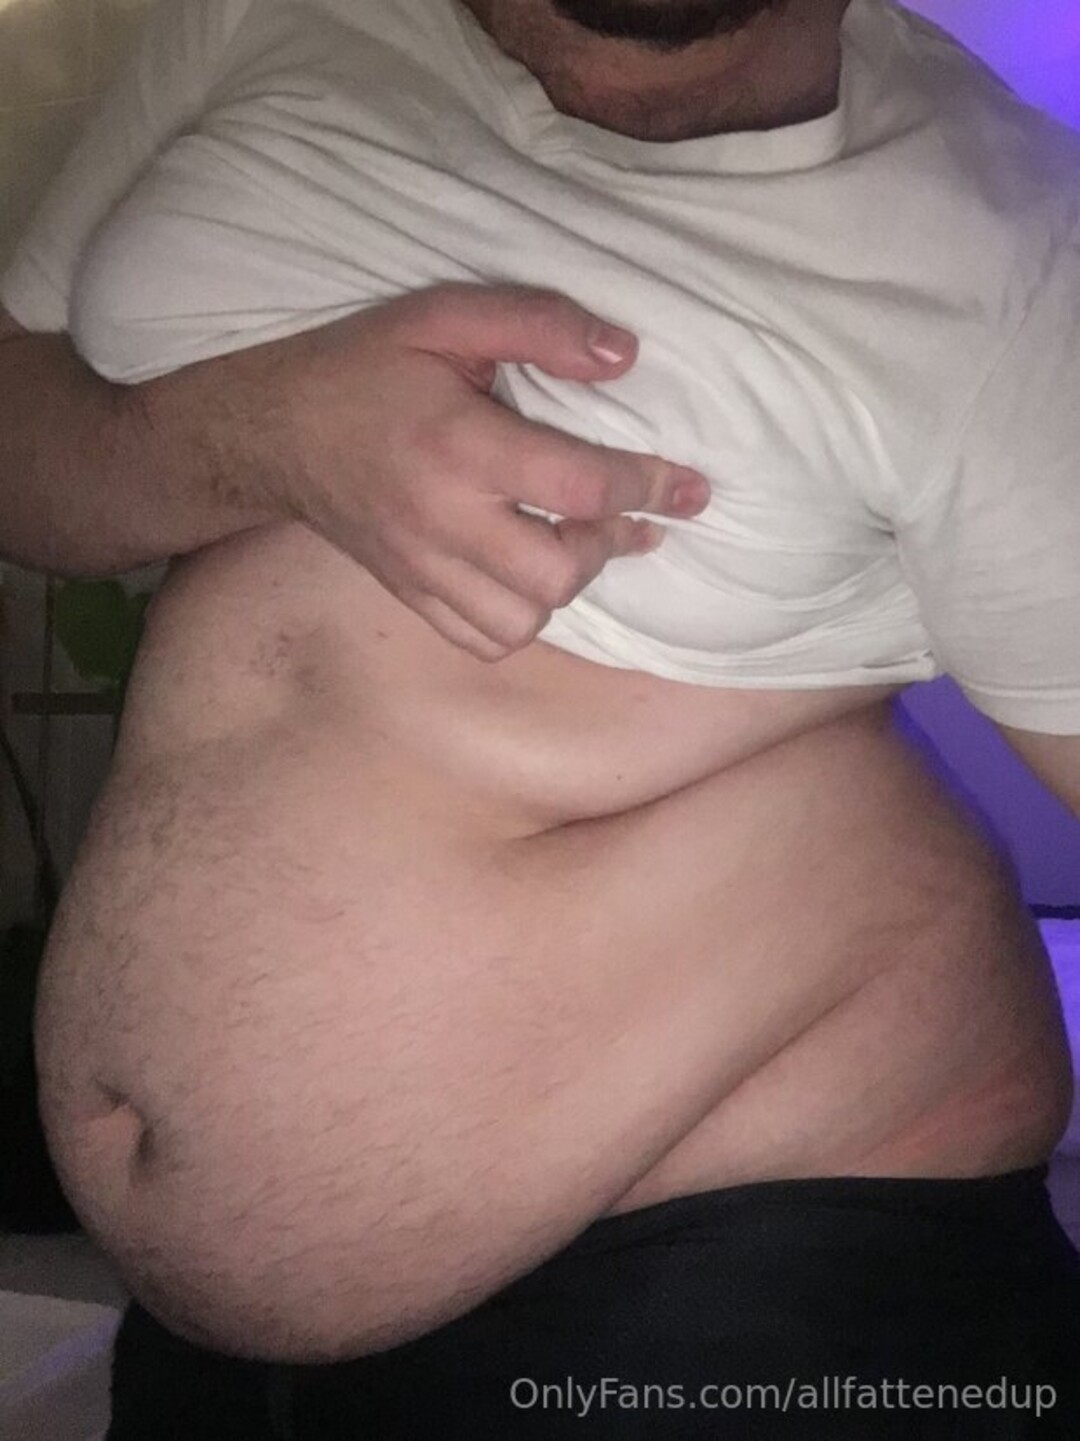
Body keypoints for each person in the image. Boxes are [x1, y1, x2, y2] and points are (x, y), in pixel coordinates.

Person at [2, 0, 1079, 1434]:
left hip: (745, 1271)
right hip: (232, 1348)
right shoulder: (267, 13)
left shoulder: (1010, 249)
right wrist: (264, 439)